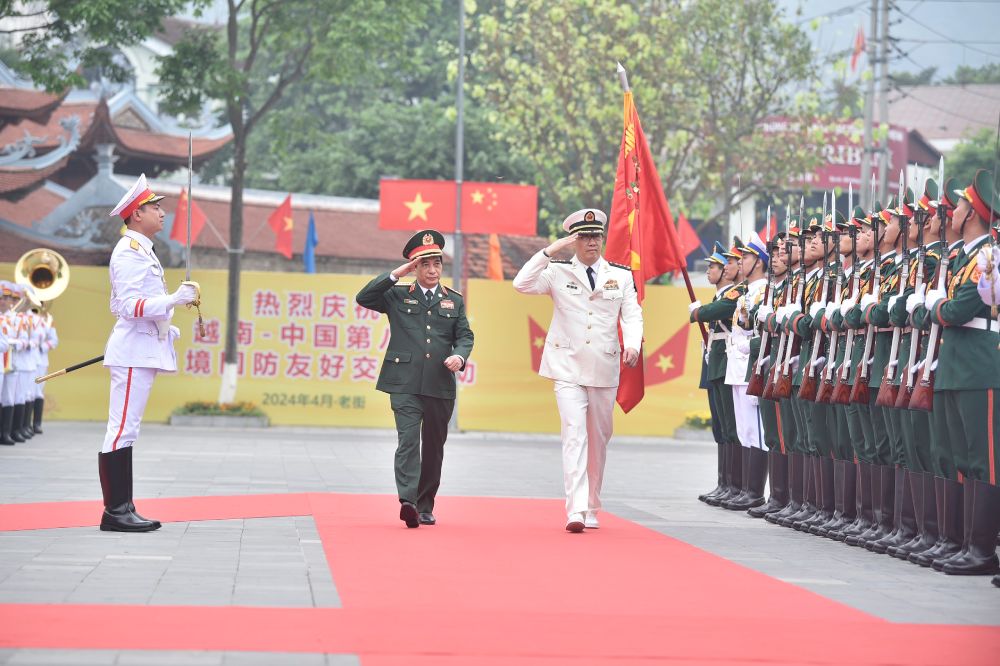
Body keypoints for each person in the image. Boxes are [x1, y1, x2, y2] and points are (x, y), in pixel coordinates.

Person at [513, 209, 642, 532]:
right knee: (574, 435)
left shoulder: (621, 276)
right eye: (584, 237)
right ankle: (576, 509)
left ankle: (592, 503)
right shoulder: (557, 272)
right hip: (567, 365)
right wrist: (549, 251)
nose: (591, 243)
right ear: (573, 240)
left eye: (596, 236)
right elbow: (521, 284)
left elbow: (632, 315)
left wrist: (634, 344)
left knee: (598, 440)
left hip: (604, 364)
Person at [356, 229, 474, 528]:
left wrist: (459, 357)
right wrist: (398, 273)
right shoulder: (396, 296)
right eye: (425, 265)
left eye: (437, 264)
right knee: (408, 440)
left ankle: (425, 505)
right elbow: (364, 297)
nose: (432, 270)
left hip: (439, 383)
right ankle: (407, 501)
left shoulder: (453, 301)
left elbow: (464, 336)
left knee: (434, 447)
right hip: (404, 382)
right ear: (415, 267)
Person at [101, 174, 199, 532]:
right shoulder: (129, 252)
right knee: (121, 429)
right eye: (154, 207)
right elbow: (128, 305)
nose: (162, 213)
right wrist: (172, 300)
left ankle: (123, 506)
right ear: (136, 214)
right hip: (131, 352)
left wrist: (165, 322)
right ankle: (115, 511)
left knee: (128, 428)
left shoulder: (142, 250)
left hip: (141, 348)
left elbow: (133, 304)